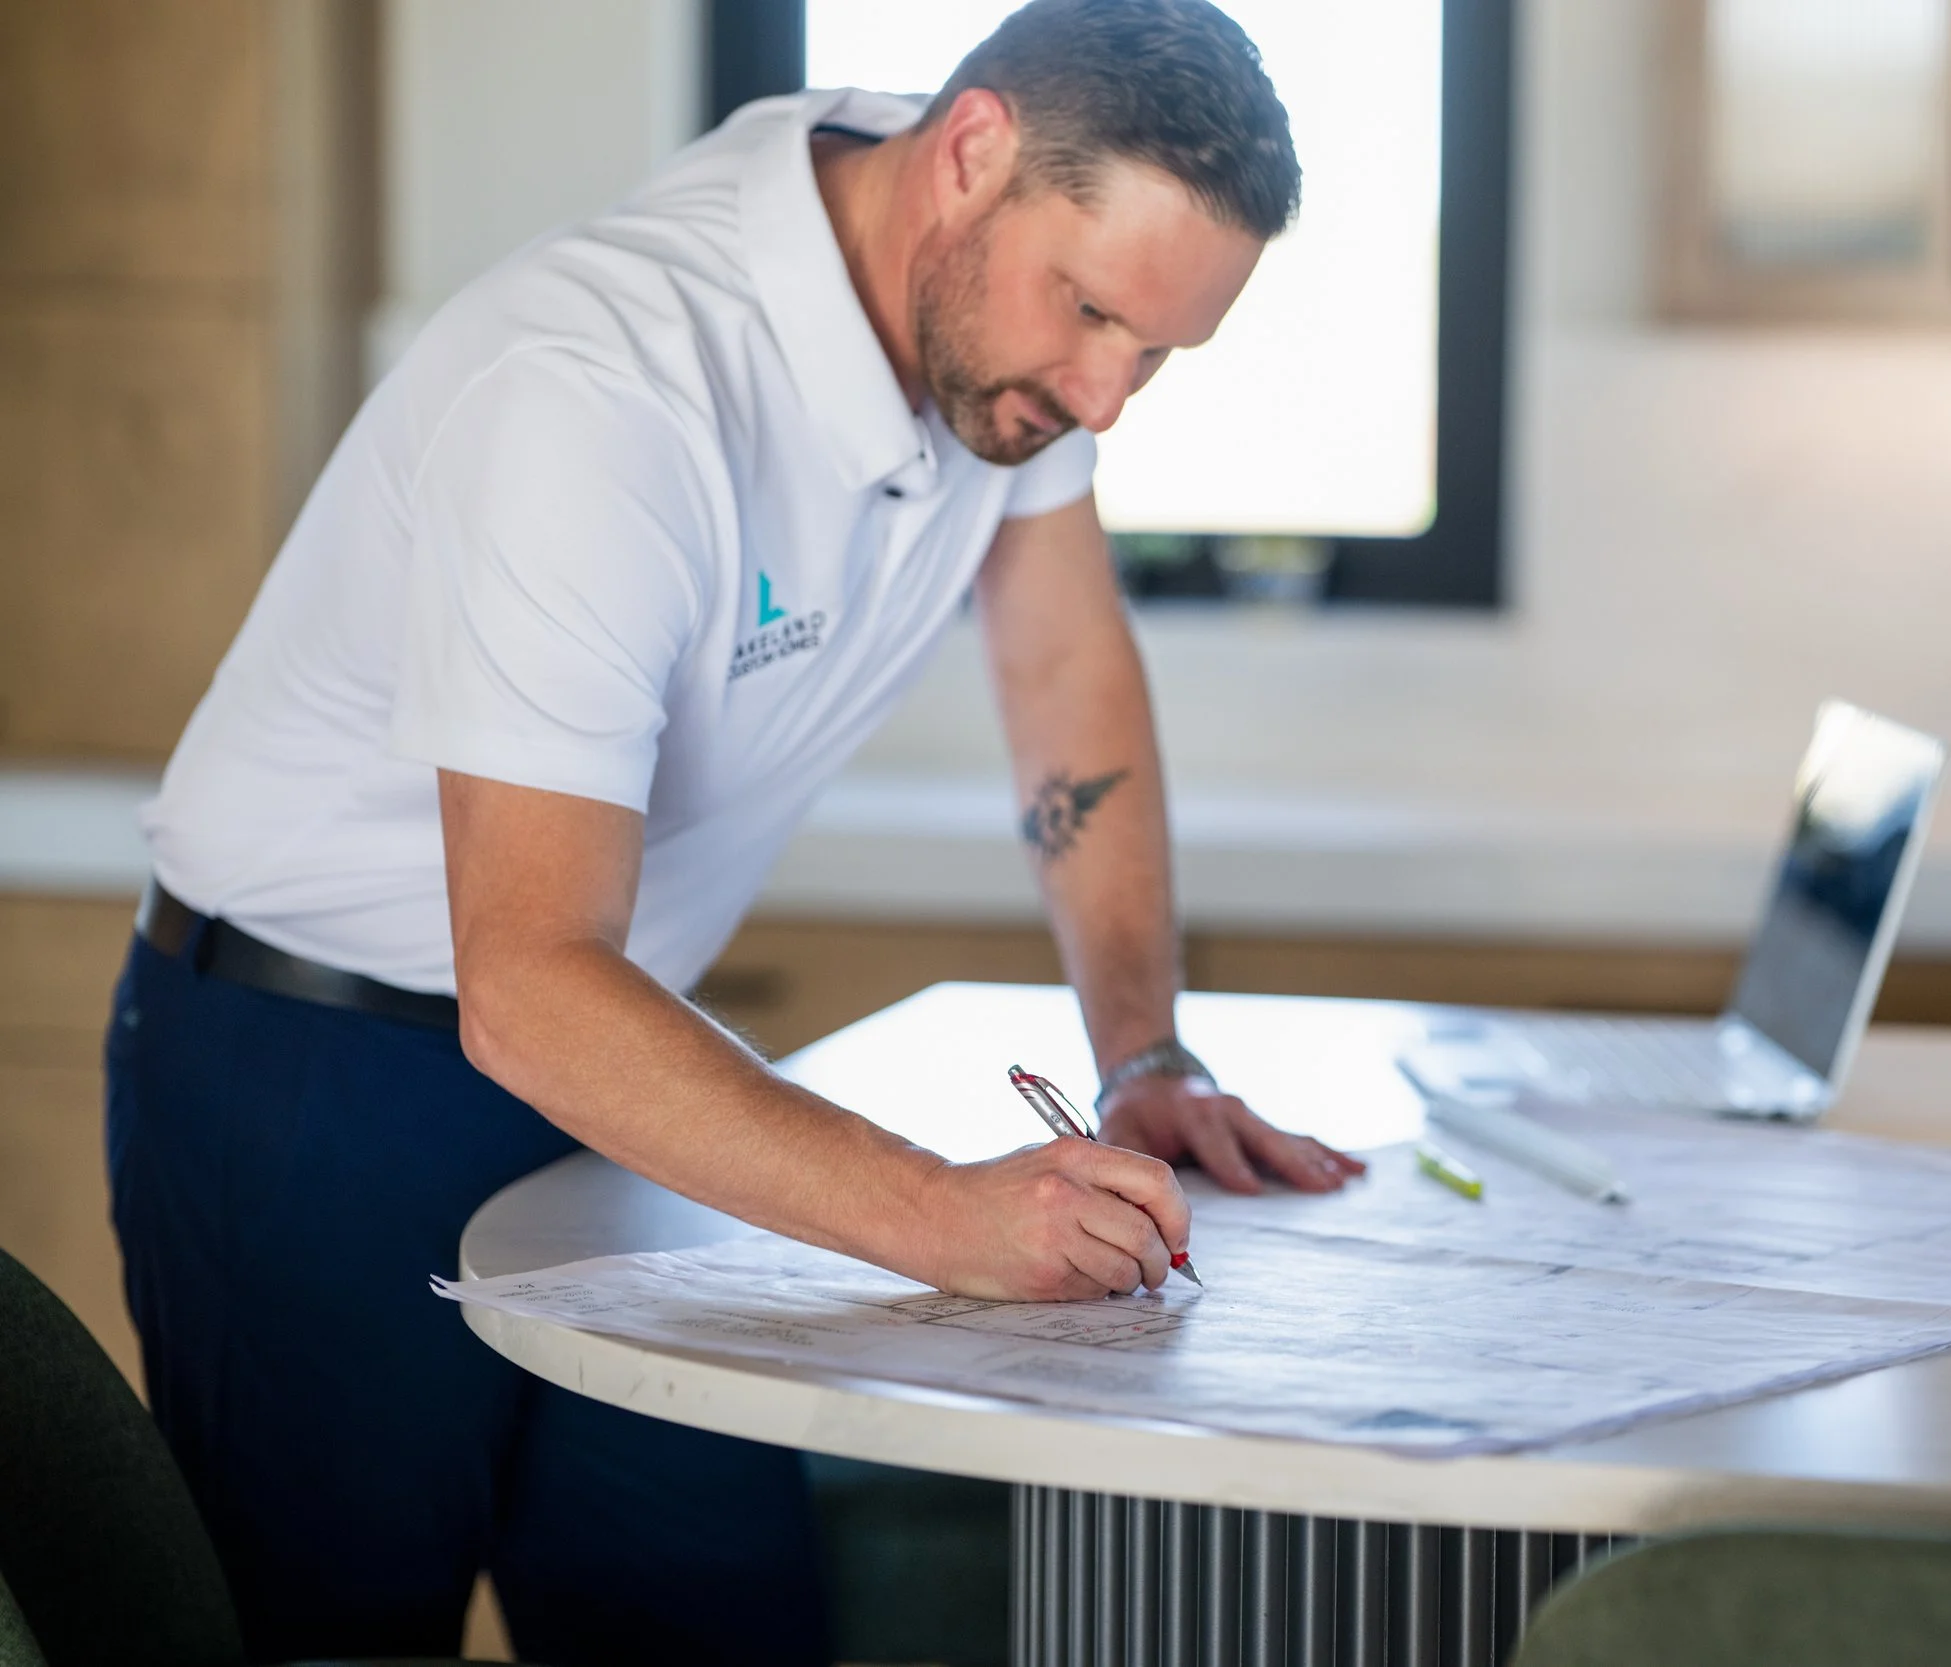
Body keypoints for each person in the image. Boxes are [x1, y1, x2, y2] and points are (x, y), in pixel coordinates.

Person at [106, 2, 1363, 1661]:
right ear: (972, 152)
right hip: (310, 1068)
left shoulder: (997, 342)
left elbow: (1063, 669)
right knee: (337, 1630)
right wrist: (948, 1212)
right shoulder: (606, 391)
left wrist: (1148, 1056)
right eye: (1094, 318)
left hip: (626, 1069)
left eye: (1159, 355)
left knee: (714, 1611)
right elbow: (532, 985)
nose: (1108, 398)